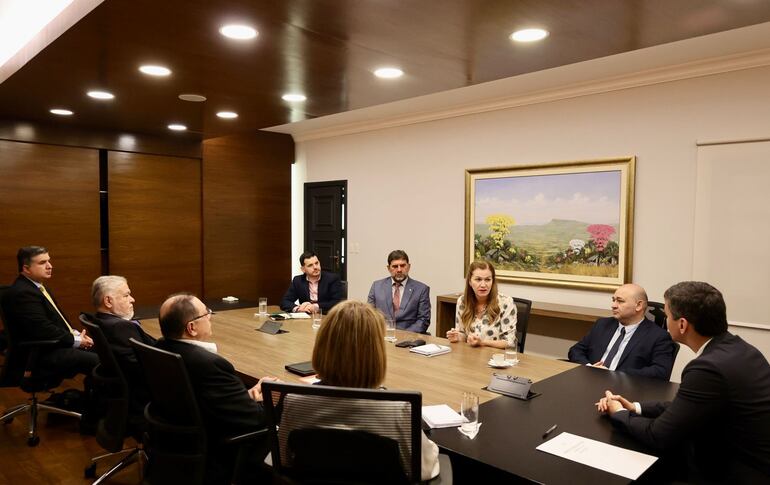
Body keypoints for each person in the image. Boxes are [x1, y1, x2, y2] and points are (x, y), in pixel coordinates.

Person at [596, 281, 770, 483]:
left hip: (737, 472)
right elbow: (687, 407)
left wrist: (619, 413)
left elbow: (659, 435)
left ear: (682, 324)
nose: (665, 321)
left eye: (668, 316)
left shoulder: (707, 368)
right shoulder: (741, 349)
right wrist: (635, 407)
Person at [278, 300, 440, 481]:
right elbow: (423, 470)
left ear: (323, 346)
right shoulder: (398, 410)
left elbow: (284, 460)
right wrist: (432, 447)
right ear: (376, 354)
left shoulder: (295, 400)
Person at [156, 293, 275, 483]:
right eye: (206, 313)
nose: (210, 316)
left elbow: (208, 397)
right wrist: (268, 399)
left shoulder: (162, 347)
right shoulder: (210, 365)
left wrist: (244, 397)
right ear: (191, 328)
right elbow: (255, 420)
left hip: (178, 438)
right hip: (221, 443)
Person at [1, 246, 98, 380]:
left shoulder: (38, 287)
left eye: (49, 261)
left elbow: (56, 321)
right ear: (26, 268)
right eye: (42, 263)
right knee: (101, 363)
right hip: (41, 353)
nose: (49, 266)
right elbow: (42, 329)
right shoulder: (23, 293)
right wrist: (76, 340)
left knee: (108, 355)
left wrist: (76, 335)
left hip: (54, 346)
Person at [568, 283, 675, 380]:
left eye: (620, 301)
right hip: (591, 381)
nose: (613, 305)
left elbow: (661, 372)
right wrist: (589, 367)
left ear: (639, 305)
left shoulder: (658, 336)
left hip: (627, 390)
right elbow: (576, 350)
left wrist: (614, 374)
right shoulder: (602, 324)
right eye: (613, 300)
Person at [89, 275, 156, 412]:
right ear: (108, 301)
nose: (132, 299)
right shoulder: (120, 328)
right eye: (126, 295)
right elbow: (140, 365)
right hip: (145, 391)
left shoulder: (99, 320)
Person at [446, 260, 517, 350]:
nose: (483, 285)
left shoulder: (506, 302)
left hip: (495, 358)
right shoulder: (463, 301)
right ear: (470, 282)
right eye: (478, 279)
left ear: (493, 281)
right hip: (470, 356)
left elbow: (509, 342)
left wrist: (482, 343)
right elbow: (463, 334)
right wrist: (457, 337)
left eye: (487, 279)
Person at [367, 250, 431, 333]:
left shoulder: (421, 289)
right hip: (382, 336)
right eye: (395, 266)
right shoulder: (377, 286)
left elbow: (423, 320)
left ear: (408, 267)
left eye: (402, 265)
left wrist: (403, 336)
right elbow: (369, 315)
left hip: (409, 338)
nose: (399, 270)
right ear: (388, 268)